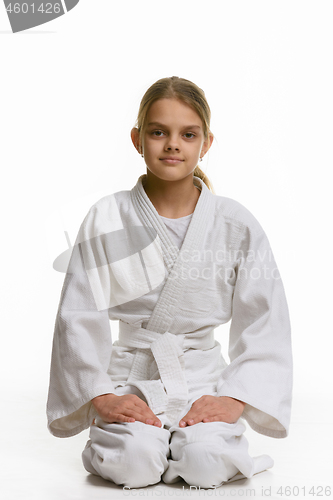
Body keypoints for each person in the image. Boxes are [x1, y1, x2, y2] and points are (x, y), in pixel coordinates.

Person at [46, 76, 293, 489]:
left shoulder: (235, 223)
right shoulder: (108, 218)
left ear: (206, 143)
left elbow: (265, 318)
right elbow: (78, 314)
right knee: (135, 462)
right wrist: (102, 396)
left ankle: (193, 447)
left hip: (202, 378)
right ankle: (145, 447)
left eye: (188, 134)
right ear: (137, 139)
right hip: (130, 378)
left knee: (206, 463)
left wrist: (234, 397)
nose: (172, 144)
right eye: (158, 132)